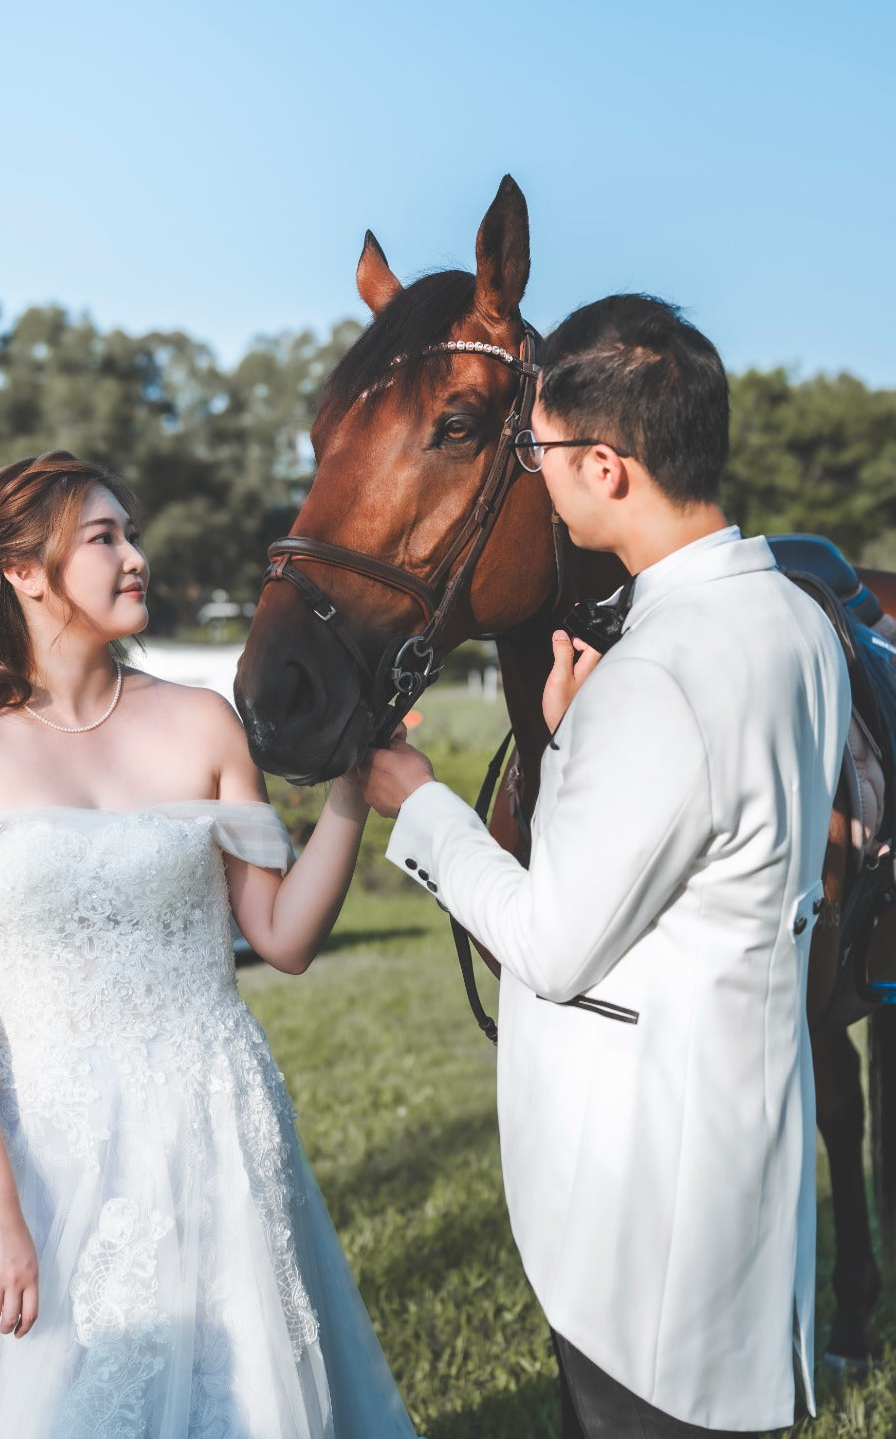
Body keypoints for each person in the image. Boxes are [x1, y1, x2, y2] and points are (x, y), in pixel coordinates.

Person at [357, 296, 851, 1438]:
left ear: (606, 465)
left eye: (534, 452)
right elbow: (705, 844)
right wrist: (576, 737)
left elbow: (550, 941)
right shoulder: (792, 620)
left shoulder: (657, 672)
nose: (532, 476)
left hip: (640, 1197)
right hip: (736, 1138)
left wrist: (419, 803)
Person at [0, 450, 418, 1439]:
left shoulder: (202, 722)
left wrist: (351, 787)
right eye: (105, 537)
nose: (138, 556)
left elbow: (283, 936)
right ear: (26, 572)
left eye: (131, 532)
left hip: (215, 1122)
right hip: (43, 1145)